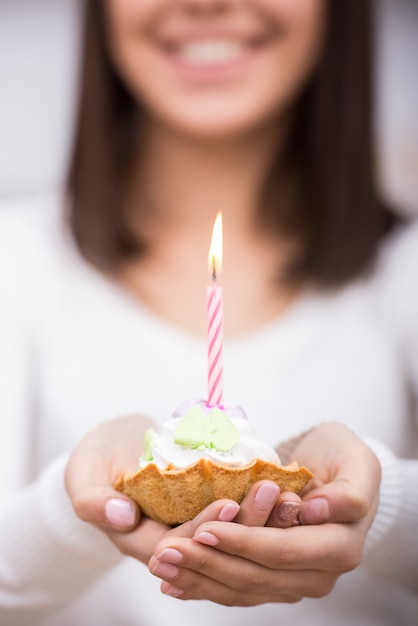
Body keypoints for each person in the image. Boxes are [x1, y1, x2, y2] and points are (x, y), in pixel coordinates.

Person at [0, 0, 417, 624]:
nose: (207, 3)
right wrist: (76, 508)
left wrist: (378, 506)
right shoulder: (16, 261)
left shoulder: (403, 270)